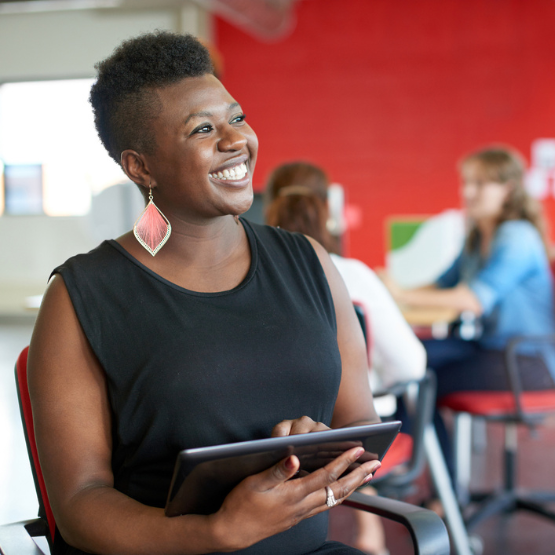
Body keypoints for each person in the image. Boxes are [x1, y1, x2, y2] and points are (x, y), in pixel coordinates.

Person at [27, 32, 382, 555]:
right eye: (202, 129)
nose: (235, 140)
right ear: (140, 167)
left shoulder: (309, 261)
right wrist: (216, 532)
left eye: (236, 118)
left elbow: (361, 425)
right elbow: (79, 503)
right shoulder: (81, 297)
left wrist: (319, 446)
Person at [265, 170, 427, 555]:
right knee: (399, 396)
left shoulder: (248, 282)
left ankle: (368, 529)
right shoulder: (352, 274)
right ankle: (407, 517)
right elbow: (412, 365)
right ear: (328, 212)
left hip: (273, 436)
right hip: (353, 435)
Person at [383, 146, 555, 474]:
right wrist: (389, 292)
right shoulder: (478, 236)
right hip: (491, 348)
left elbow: (472, 299)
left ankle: (440, 490)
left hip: (526, 361)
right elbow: (442, 286)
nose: (468, 192)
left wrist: (400, 293)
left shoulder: (516, 236)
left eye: (481, 184)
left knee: (418, 380)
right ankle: (417, 472)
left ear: (508, 188)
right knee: (403, 359)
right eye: (467, 183)